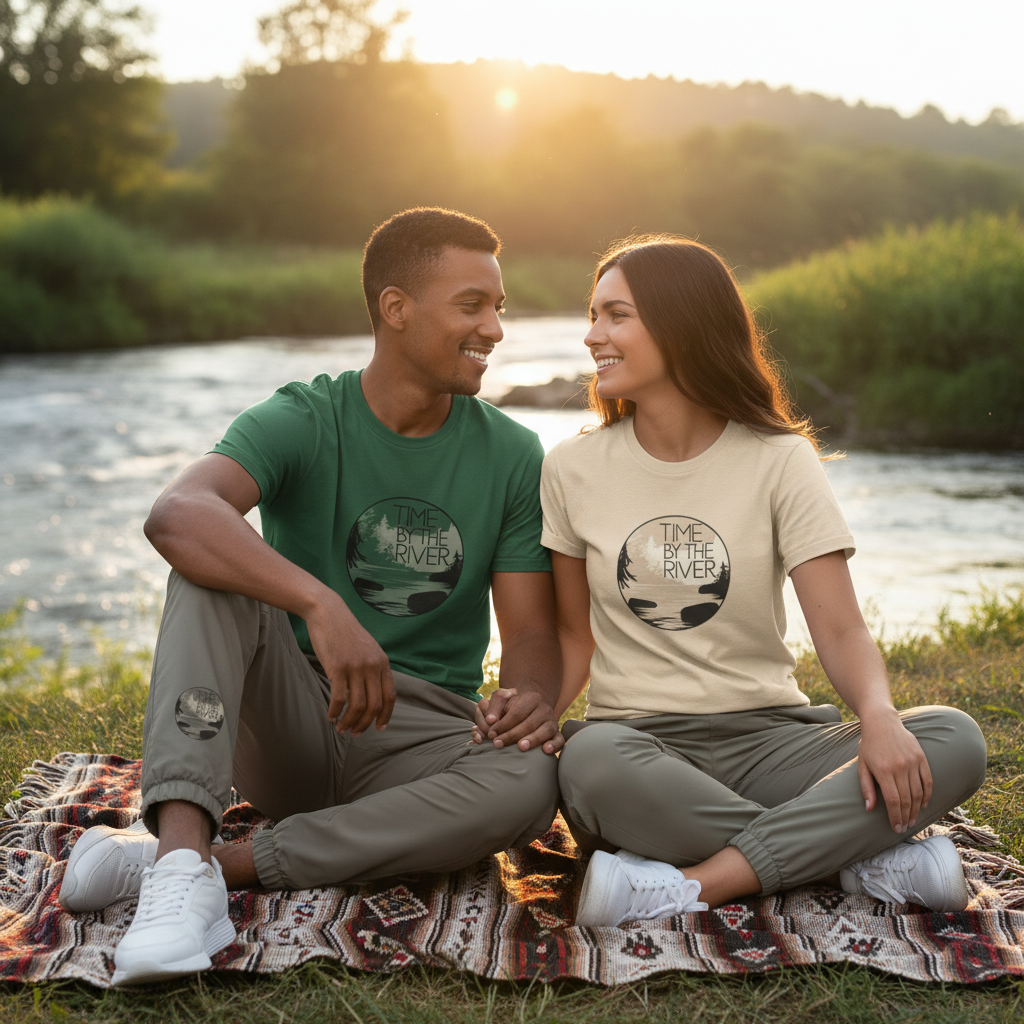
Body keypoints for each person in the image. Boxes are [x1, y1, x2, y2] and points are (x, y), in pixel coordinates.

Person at [58, 207, 564, 984]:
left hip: (424, 743)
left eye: (499, 307)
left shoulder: (513, 452)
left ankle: (194, 869)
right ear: (396, 309)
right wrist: (319, 605)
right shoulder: (304, 416)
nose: (495, 328)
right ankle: (182, 858)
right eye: (473, 305)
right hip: (294, 716)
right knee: (208, 563)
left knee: (531, 782)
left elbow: (530, 634)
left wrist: (530, 696)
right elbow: (177, 513)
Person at [542, 235, 987, 927]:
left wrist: (878, 717)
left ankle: (692, 886)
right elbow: (573, 636)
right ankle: (855, 862)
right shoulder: (570, 469)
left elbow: (840, 629)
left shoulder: (781, 459)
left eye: (616, 315)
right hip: (641, 749)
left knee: (953, 738)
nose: (593, 335)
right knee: (588, 762)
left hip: (776, 742)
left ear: (680, 324)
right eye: (593, 314)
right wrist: (535, 710)